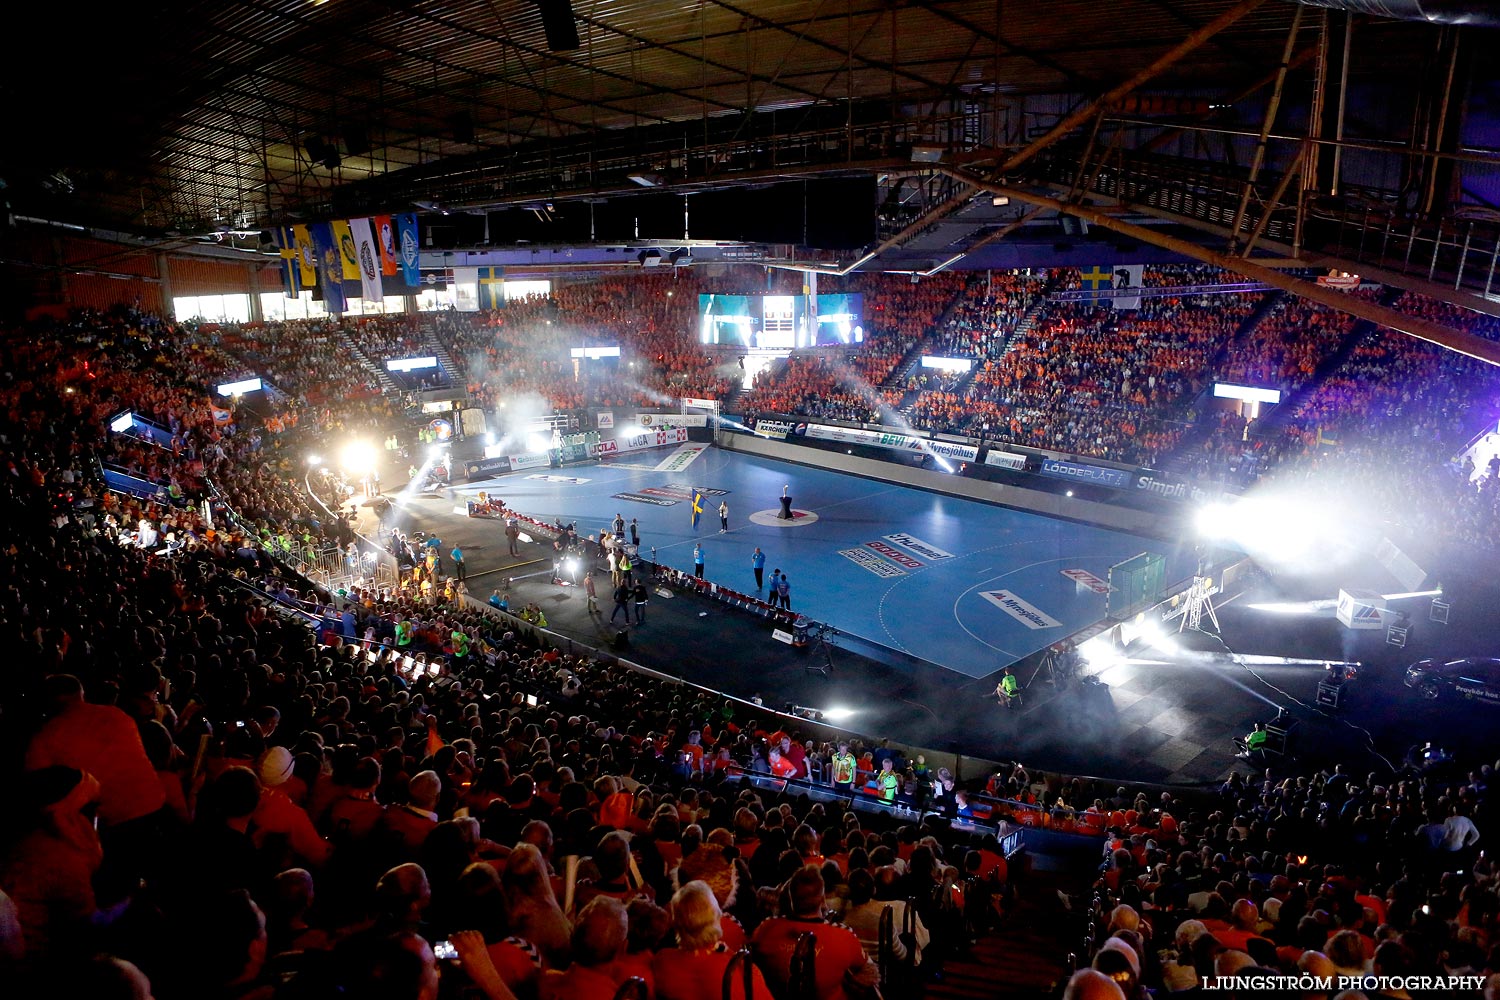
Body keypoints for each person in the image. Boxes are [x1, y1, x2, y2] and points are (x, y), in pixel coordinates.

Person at [751, 867, 877, 1000]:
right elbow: (869, 971)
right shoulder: (844, 936)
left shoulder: (766, 928)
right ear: (822, 900)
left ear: (790, 897)